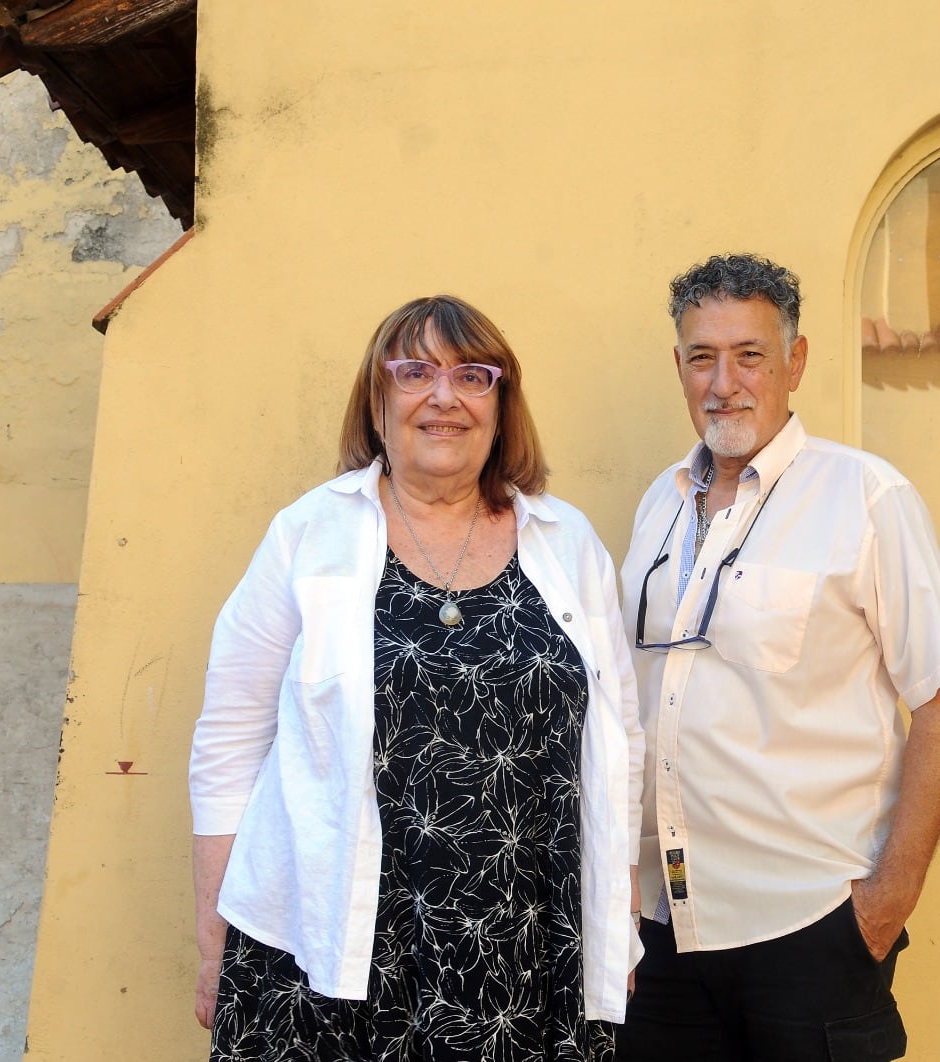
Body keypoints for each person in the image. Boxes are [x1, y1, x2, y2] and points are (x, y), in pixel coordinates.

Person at [190, 295, 643, 1061]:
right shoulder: (309, 534)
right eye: (415, 373)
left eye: (472, 376)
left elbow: (620, 742)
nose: (444, 397)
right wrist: (212, 945)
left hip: (528, 955)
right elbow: (229, 742)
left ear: (501, 406)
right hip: (327, 953)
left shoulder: (567, 543)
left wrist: (617, 918)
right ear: (377, 402)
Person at [616, 254, 940, 1062]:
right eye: (702, 357)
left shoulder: (867, 497)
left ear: (795, 361)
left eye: (749, 355)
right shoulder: (659, 503)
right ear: (679, 367)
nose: (725, 383)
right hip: (664, 932)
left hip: (808, 929)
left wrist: (882, 908)